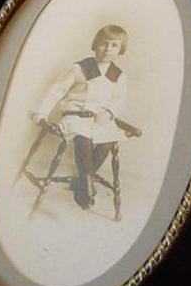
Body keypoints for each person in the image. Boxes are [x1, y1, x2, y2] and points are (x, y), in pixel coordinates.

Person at [31, 25, 129, 209]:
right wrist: (41, 113)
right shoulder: (80, 68)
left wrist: (109, 113)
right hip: (74, 116)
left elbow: (119, 100)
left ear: (121, 49)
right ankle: (86, 186)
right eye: (103, 44)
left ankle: (83, 180)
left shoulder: (118, 75)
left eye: (114, 45)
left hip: (98, 119)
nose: (108, 49)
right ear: (95, 45)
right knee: (83, 138)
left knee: (108, 140)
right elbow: (56, 90)